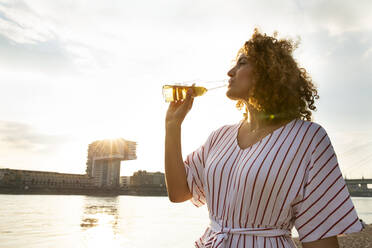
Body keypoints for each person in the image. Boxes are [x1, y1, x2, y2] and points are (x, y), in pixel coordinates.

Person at [164, 29, 365, 248]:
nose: (230, 72)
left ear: (269, 72)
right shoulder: (219, 137)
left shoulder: (308, 139)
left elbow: (321, 235)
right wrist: (172, 126)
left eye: (242, 63)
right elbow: (178, 192)